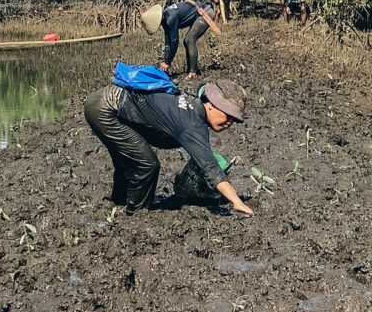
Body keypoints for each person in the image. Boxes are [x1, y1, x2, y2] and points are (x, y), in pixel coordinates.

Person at [83, 78, 254, 215]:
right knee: (146, 165)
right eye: (228, 115)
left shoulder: (192, 106)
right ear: (212, 104)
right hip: (106, 108)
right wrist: (236, 201)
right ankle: (136, 215)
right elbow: (210, 167)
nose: (229, 123)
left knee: (128, 160)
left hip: (104, 100)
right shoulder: (192, 124)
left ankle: (119, 201)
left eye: (234, 120)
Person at [141, 1, 221, 80]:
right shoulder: (165, 17)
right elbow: (168, 41)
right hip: (200, 13)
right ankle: (190, 70)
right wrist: (165, 60)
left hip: (205, 13)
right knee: (187, 41)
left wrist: (167, 63)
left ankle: (193, 72)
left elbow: (174, 42)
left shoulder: (170, 19)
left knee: (189, 40)